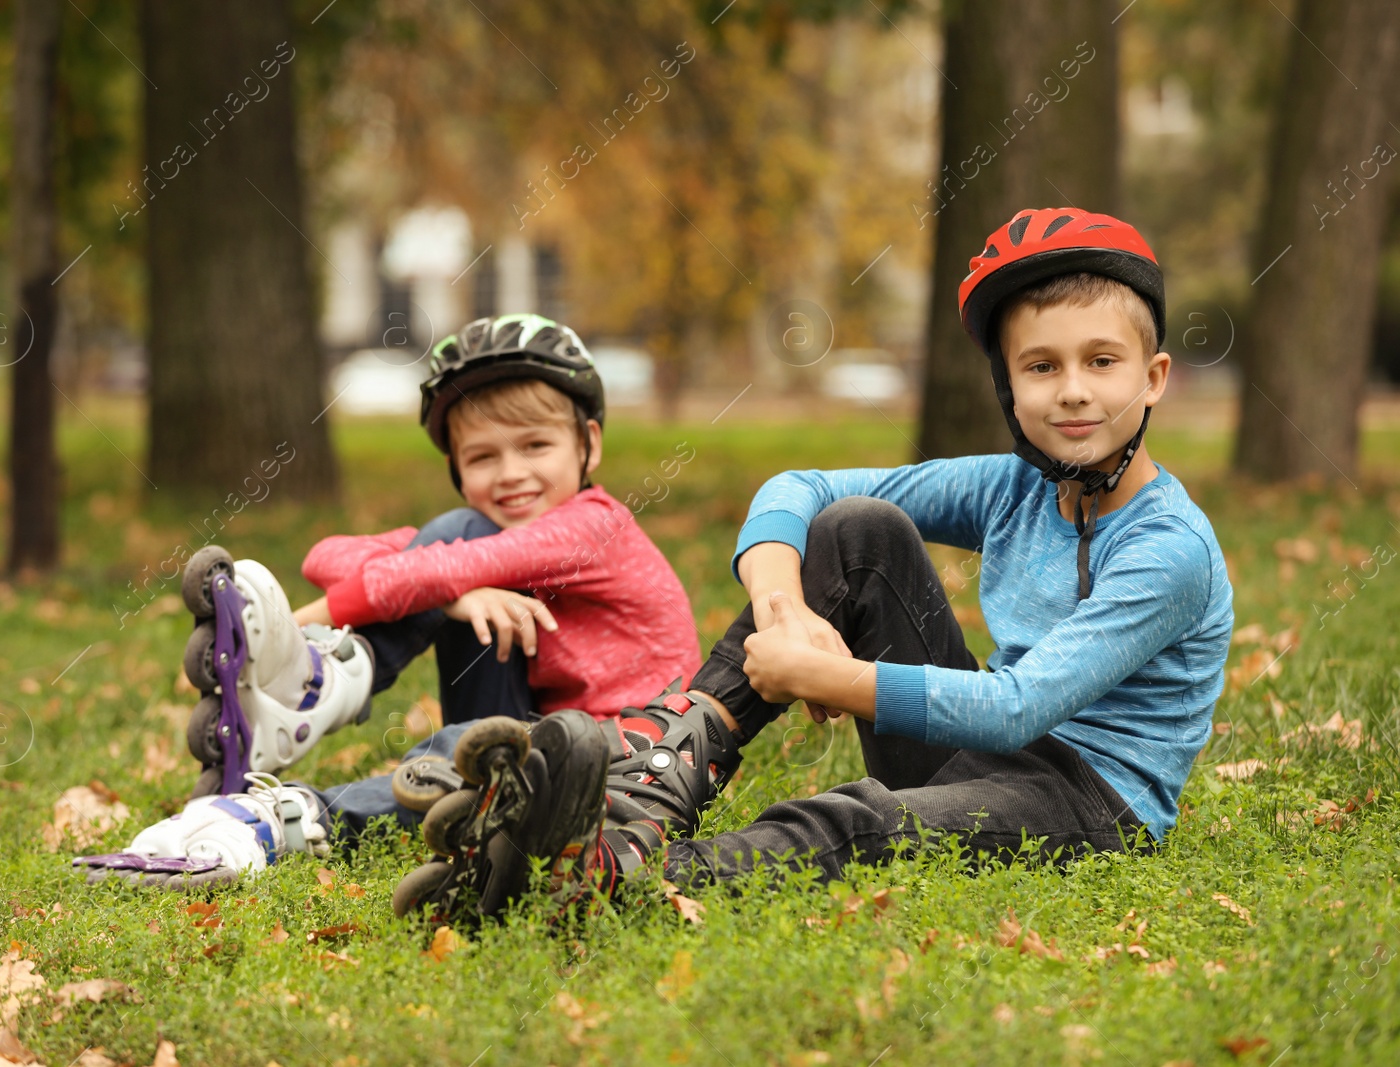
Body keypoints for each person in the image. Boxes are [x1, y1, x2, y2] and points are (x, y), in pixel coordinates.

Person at [391, 207, 1236, 922]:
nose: (1074, 391)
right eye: (1041, 367)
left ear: (1154, 376)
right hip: (980, 758)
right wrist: (783, 606)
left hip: (1087, 800)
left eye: (1101, 362)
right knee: (856, 530)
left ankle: (611, 878)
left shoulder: (1167, 549)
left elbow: (1018, 710)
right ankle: (645, 786)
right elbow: (803, 486)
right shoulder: (1012, 486)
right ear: (1008, 386)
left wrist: (828, 676)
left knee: (856, 818)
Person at [73, 314, 703, 887]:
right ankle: (315, 686)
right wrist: (460, 595)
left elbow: (420, 571)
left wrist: (307, 621)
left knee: (452, 572)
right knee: (456, 553)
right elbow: (329, 554)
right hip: (534, 736)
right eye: (482, 456)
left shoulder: (596, 525)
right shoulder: (488, 537)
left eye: (536, 446)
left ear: (588, 443)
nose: (510, 472)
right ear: (456, 465)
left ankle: (298, 763)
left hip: (627, 762)